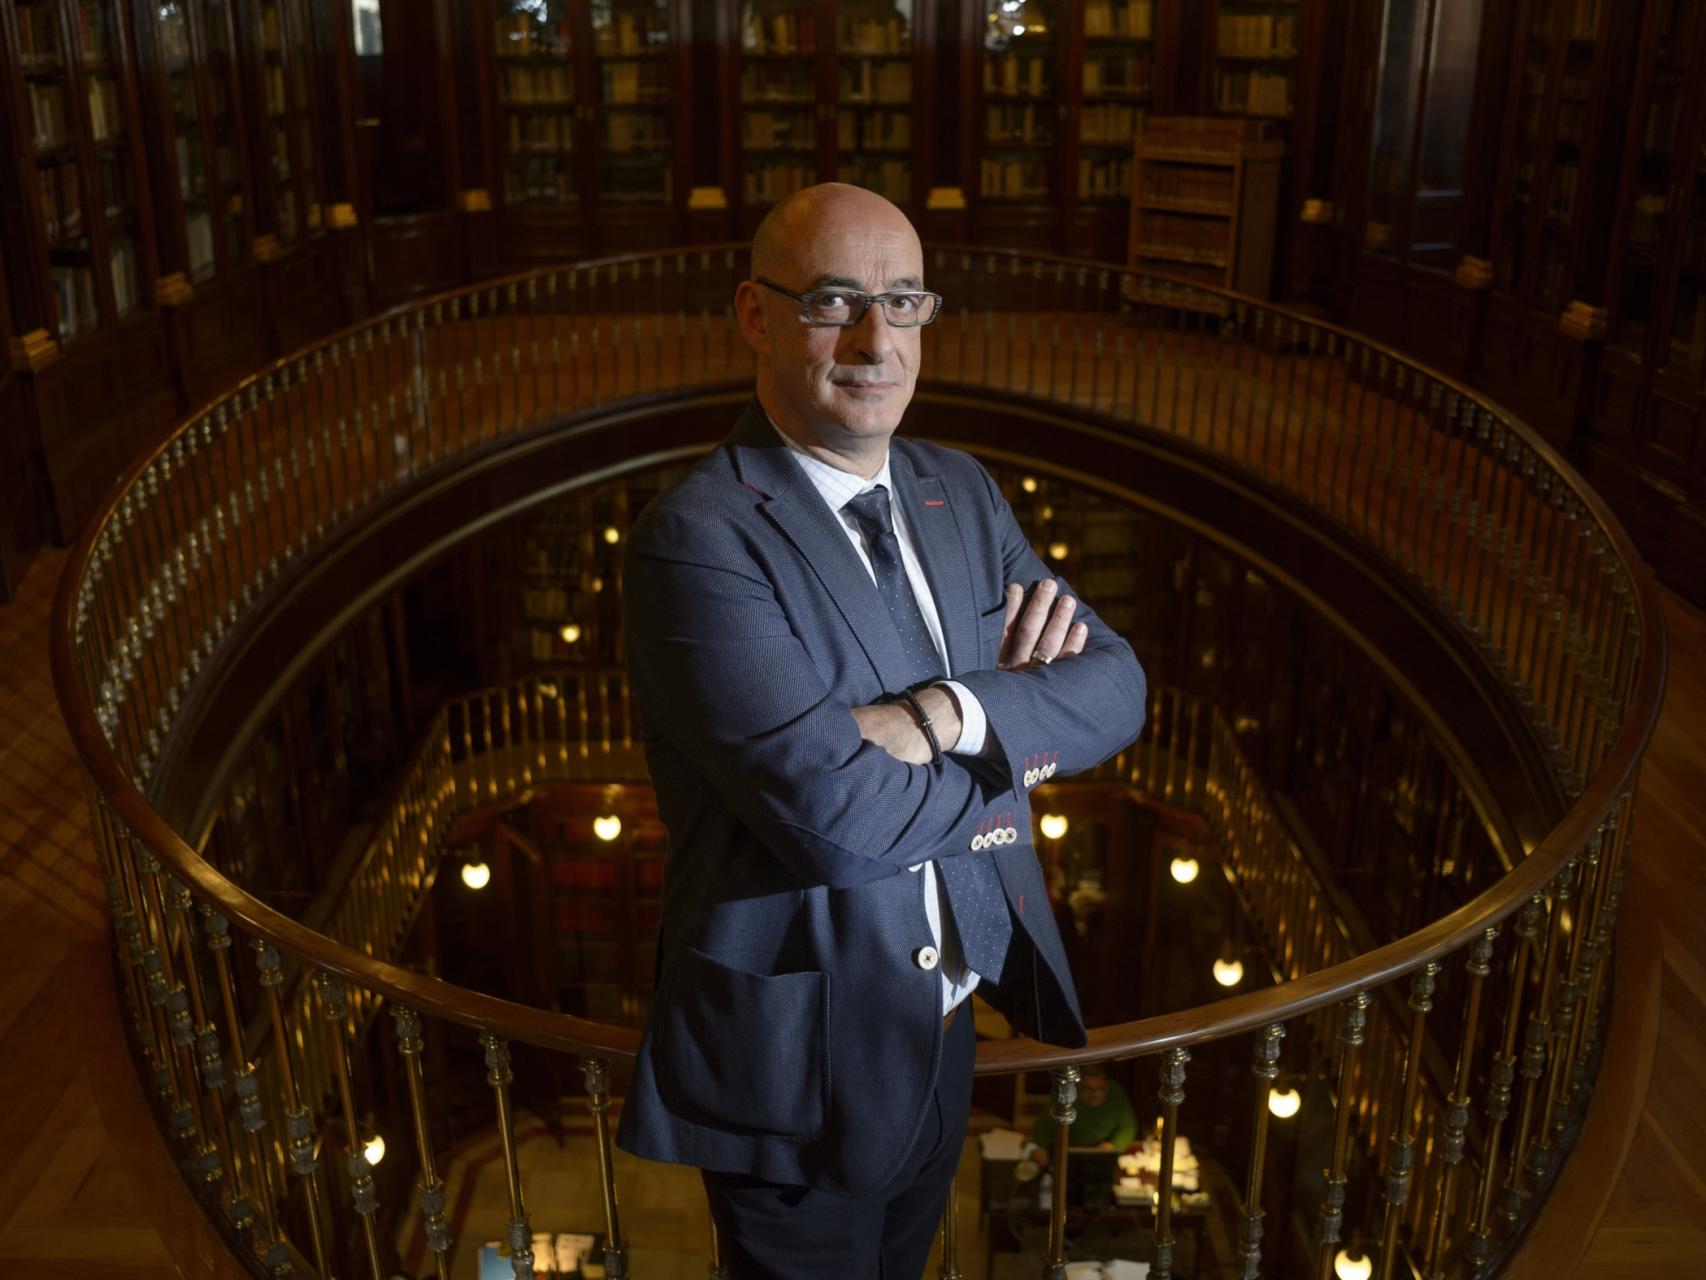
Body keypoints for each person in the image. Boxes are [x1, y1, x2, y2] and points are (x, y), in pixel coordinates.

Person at [613, 183, 1148, 1279]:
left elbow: (1119, 687)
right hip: (797, 1065)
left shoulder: (959, 491)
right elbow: (832, 818)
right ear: (755, 314)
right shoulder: (697, 538)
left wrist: (943, 712)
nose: (875, 341)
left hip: (944, 1025)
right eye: (833, 301)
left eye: (903, 301)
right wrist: (1013, 740)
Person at [1028, 1062, 1139, 1160]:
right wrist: (1041, 1146)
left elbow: (1128, 1126)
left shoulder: (1117, 1094)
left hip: (1104, 1150)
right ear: (1080, 1086)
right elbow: (1044, 1123)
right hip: (1069, 1149)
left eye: (1099, 1088)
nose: (1094, 1094)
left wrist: (1113, 1145)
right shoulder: (1067, 1094)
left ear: (1106, 1085)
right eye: (1088, 1089)